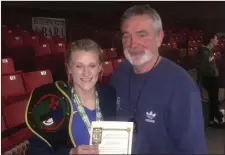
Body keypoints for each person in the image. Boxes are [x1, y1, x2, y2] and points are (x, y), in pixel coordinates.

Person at [110, 4, 207, 154]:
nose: (133, 44)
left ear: (159, 38)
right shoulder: (119, 73)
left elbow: (192, 150)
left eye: (142, 35)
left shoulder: (181, 85)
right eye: (126, 36)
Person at [26, 39, 117, 155]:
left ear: (99, 67)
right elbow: (35, 150)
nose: (86, 73)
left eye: (92, 66)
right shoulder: (53, 102)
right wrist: (70, 153)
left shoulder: (111, 96)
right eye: (79, 66)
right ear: (69, 68)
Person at [198, 34, 225, 128]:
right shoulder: (205, 52)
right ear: (211, 39)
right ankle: (216, 120)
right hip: (209, 79)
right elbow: (201, 68)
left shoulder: (209, 51)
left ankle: (212, 119)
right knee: (214, 100)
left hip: (213, 79)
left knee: (214, 100)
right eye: (216, 39)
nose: (217, 41)